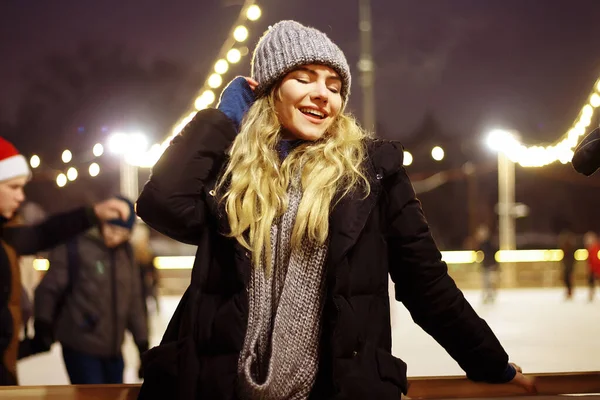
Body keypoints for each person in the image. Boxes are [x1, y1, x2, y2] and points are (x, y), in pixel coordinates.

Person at [135, 20, 535, 400]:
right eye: (303, 78)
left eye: (334, 85)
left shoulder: (372, 173)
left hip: (337, 389)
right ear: (269, 90)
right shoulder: (234, 175)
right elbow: (161, 203)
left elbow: (425, 281)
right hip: (218, 387)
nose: (323, 94)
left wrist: (491, 362)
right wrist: (222, 120)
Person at [0, 136, 131, 385]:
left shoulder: (5, 236)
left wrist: (94, 213)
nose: (21, 197)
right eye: (13, 187)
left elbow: (41, 234)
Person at [31, 197, 148, 384]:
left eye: (122, 233)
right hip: (80, 346)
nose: (115, 237)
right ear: (102, 223)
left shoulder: (126, 254)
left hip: (114, 350)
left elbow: (134, 301)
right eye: (112, 229)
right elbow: (49, 289)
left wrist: (143, 345)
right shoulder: (75, 246)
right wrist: (43, 324)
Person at [476, 225, 499, 304]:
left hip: (490, 266)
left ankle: (491, 295)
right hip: (486, 266)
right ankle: (487, 295)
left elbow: (493, 254)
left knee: (490, 281)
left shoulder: (490, 244)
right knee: (486, 282)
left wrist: (494, 264)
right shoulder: (482, 244)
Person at [558, 230, 577, 300]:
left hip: (569, 266)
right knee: (566, 279)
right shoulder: (565, 249)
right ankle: (568, 292)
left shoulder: (570, 249)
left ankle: (570, 292)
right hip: (567, 266)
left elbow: (571, 259)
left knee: (568, 279)